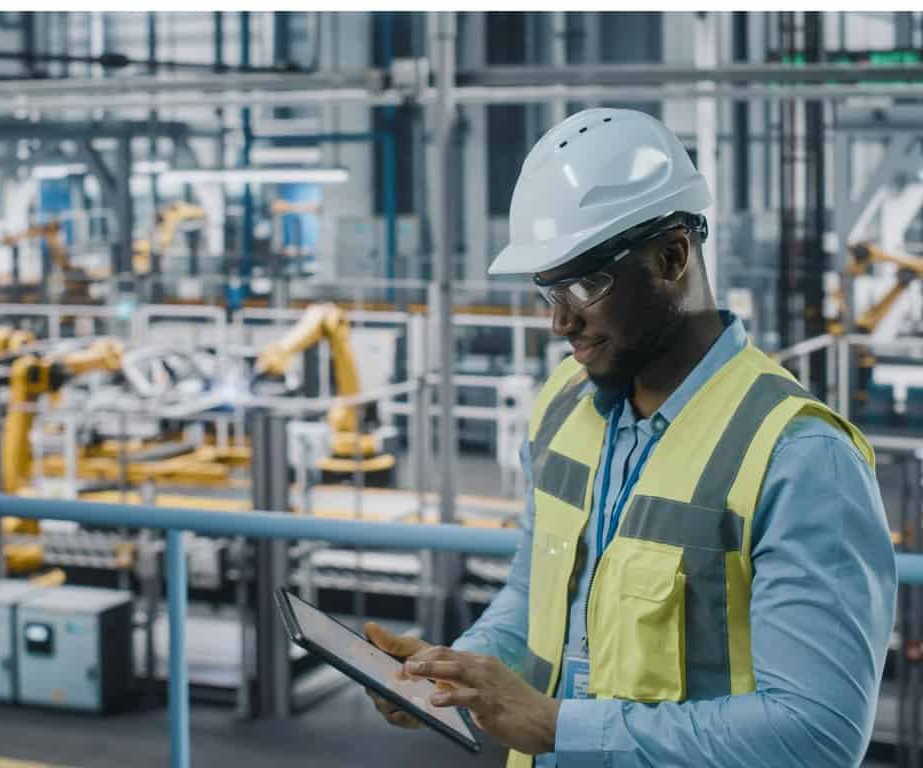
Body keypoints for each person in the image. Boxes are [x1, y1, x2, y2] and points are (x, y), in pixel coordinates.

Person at [365, 107, 896, 767]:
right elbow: (535, 597)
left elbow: (816, 736)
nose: (560, 323)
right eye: (547, 290)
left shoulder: (801, 457)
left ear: (672, 256)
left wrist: (560, 726)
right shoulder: (563, 404)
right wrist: (462, 670)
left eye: (585, 284)